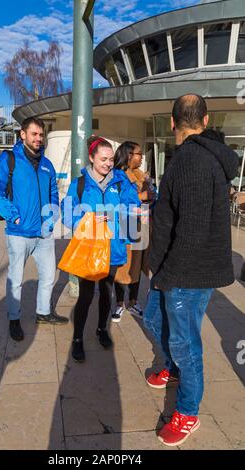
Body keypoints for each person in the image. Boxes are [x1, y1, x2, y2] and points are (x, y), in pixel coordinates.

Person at [143, 94, 239, 446]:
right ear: (205, 118)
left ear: (171, 122)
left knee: (186, 345)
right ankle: (172, 366)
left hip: (185, 273)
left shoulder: (193, 161)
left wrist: (164, 274)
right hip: (175, 268)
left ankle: (187, 411)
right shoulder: (191, 158)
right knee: (155, 320)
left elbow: (193, 230)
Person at [0, 117, 69, 342]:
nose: (38, 139)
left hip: (43, 234)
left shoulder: (47, 164)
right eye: (34, 134)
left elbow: (53, 191)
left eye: (41, 135)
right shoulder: (9, 159)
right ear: (22, 134)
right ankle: (14, 319)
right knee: (16, 278)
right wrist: (13, 217)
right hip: (19, 233)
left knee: (48, 277)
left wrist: (52, 217)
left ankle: (43, 313)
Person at [61, 136, 140, 362]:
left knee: (107, 292)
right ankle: (77, 338)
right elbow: (67, 212)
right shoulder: (80, 184)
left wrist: (121, 213)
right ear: (91, 158)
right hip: (89, 248)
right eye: (103, 159)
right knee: (85, 295)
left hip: (113, 247)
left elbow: (133, 205)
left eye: (111, 159)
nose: (108, 163)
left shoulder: (121, 181)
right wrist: (88, 219)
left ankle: (101, 330)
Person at [112, 141, 155, 322]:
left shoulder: (141, 175)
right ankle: (119, 304)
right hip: (125, 228)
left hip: (142, 227)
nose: (141, 157)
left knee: (136, 266)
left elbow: (153, 196)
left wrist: (151, 192)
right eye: (139, 154)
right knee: (123, 267)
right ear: (129, 155)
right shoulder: (117, 176)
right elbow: (116, 203)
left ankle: (133, 301)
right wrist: (141, 197)